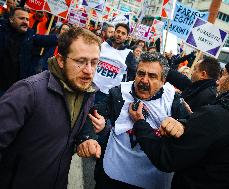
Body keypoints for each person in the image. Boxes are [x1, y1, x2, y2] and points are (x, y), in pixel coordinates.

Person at [129, 58, 229, 189]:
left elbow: (166, 157)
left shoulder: (217, 116)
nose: (218, 81)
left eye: (224, 75)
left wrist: (140, 123)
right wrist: (190, 122)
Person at [0, 27, 101, 189]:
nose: (89, 71)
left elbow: (72, 125)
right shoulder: (28, 92)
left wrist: (87, 137)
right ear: (61, 60)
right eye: (80, 62)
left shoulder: (87, 92)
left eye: (94, 62)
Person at [77, 52, 189, 189]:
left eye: (152, 76)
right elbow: (91, 115)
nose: (144, 80)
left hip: (150, 182)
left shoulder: (173, 100)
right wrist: (89, 137)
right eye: (141, 74)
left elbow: (191, 127)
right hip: (112, 175)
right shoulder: (119, 93)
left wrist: (182, 124)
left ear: (163, 81)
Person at [0, 7, 57, 96]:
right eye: (21, 18)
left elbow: (45, 39)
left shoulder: (29, 34)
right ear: (11, 19)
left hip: (15, 87)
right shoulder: (1, 31)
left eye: (27, 19)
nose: (25, 21)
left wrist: (66, 37)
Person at [93, 23, 131, 102]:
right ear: (114, 32)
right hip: (92, 88)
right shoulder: (103, 45)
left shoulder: (129, 54)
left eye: (123, 33)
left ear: (127, 37)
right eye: (118, 31)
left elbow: (130, 76)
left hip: (107, 96)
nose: (119, 35)